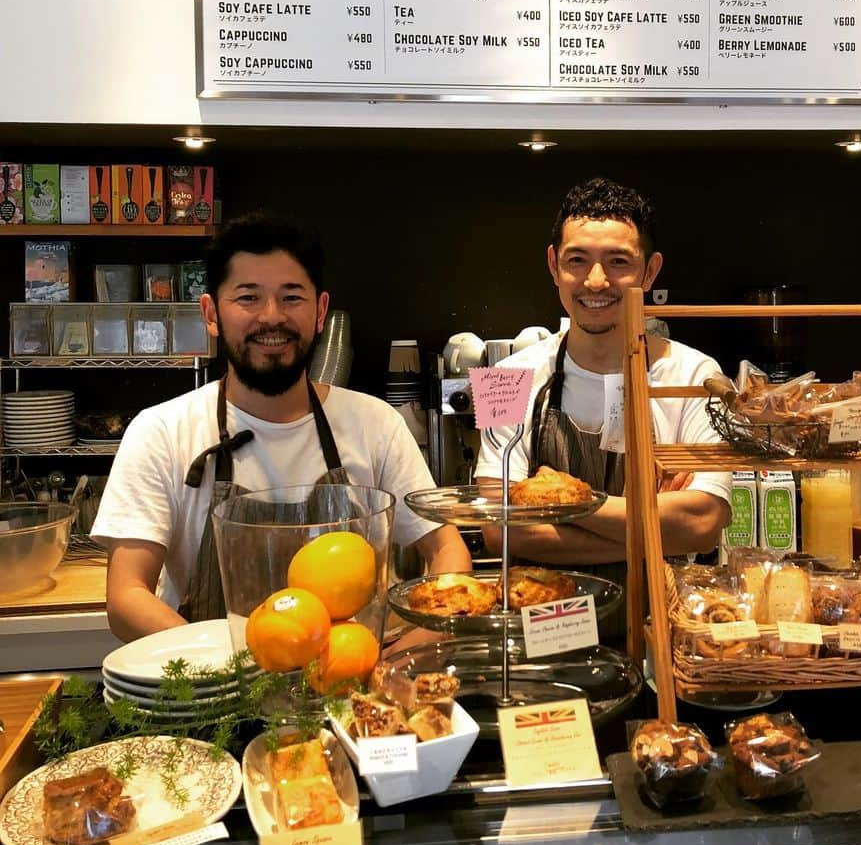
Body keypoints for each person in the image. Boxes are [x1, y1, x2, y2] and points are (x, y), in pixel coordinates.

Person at [93, 215, 471, 642]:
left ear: (320, 312)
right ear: (211, 313)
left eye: (291, 297)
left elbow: (447, 550)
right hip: (213, 693)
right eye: (248, 297)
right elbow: (125, 597)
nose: (271, 317)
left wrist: (397, 659)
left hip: (354, 688)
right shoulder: (162, 431)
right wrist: (224, 669)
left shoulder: (376, 425)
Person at [475, 177, 731, 583]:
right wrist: (657, 529)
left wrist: (559, 505)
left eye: (618, 261)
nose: (596, 281)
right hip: (545, 625)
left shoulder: (698, 376)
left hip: (659, 630)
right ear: (553, 266)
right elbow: (499, 530)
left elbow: (702, 525)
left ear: (650, 272)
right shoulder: (501, 379)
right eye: (577, 260)